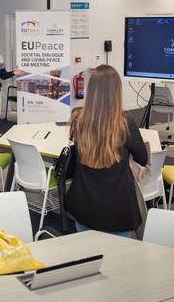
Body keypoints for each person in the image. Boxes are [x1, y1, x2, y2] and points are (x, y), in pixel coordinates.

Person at [65, 65, 148, 237]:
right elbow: (142, 158)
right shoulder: (126, 123)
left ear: (91, 90)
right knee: (115, 260)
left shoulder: (78, 120)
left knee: (88, 256)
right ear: (116, 92)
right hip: (118, 211)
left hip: (83, 206)